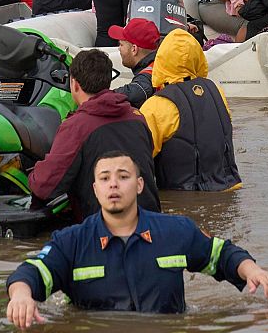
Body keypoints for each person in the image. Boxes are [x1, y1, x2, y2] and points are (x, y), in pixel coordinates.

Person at [7, 149, 268, 325]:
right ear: (95, 189)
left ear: (139, 185)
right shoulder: (72, 242)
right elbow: (31, 272)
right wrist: (21, 297)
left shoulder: (175, 231)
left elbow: (221, 255)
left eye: (123, 176)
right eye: (104, 178)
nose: (113, 184)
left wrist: (252, 269)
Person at [29, 49, 159, 218]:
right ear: (107, 82)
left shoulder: (76, 126)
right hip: (151, 223)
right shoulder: (138, 117)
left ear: (74, 84)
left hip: (105, 228)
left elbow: (45, 187)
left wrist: (33, 172)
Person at [136, 29, 240, 191]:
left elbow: (139, 158)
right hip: (228, 188)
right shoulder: (216, 92)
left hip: (182, 196)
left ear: (161, 60)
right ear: (198, 58)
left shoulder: (156, 105)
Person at [107, 17, 163, 108]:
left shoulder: (148, 76)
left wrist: (99, 98)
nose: (119, 48)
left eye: (121, 44)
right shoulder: (162, 62)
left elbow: (140, 89)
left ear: (134, 49)